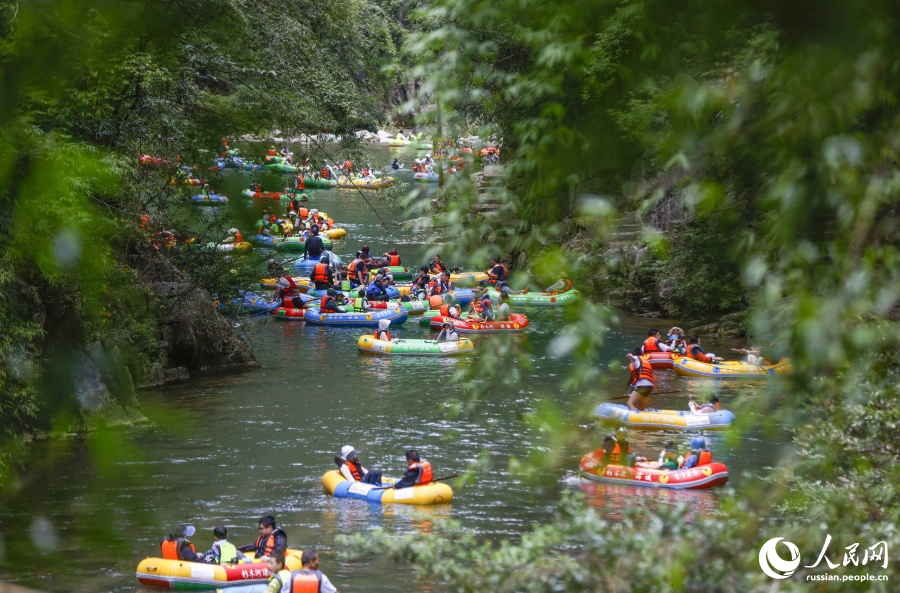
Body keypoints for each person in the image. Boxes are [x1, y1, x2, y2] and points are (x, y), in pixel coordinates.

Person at [626, 347, 653, 412]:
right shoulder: (646, 361)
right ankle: (643, 415)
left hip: (641, 385)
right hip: (649, 386)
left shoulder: (636, 358)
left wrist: (629, 356)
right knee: (640, 405)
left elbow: (633, 358)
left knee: (630, 404)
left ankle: (637, 416)